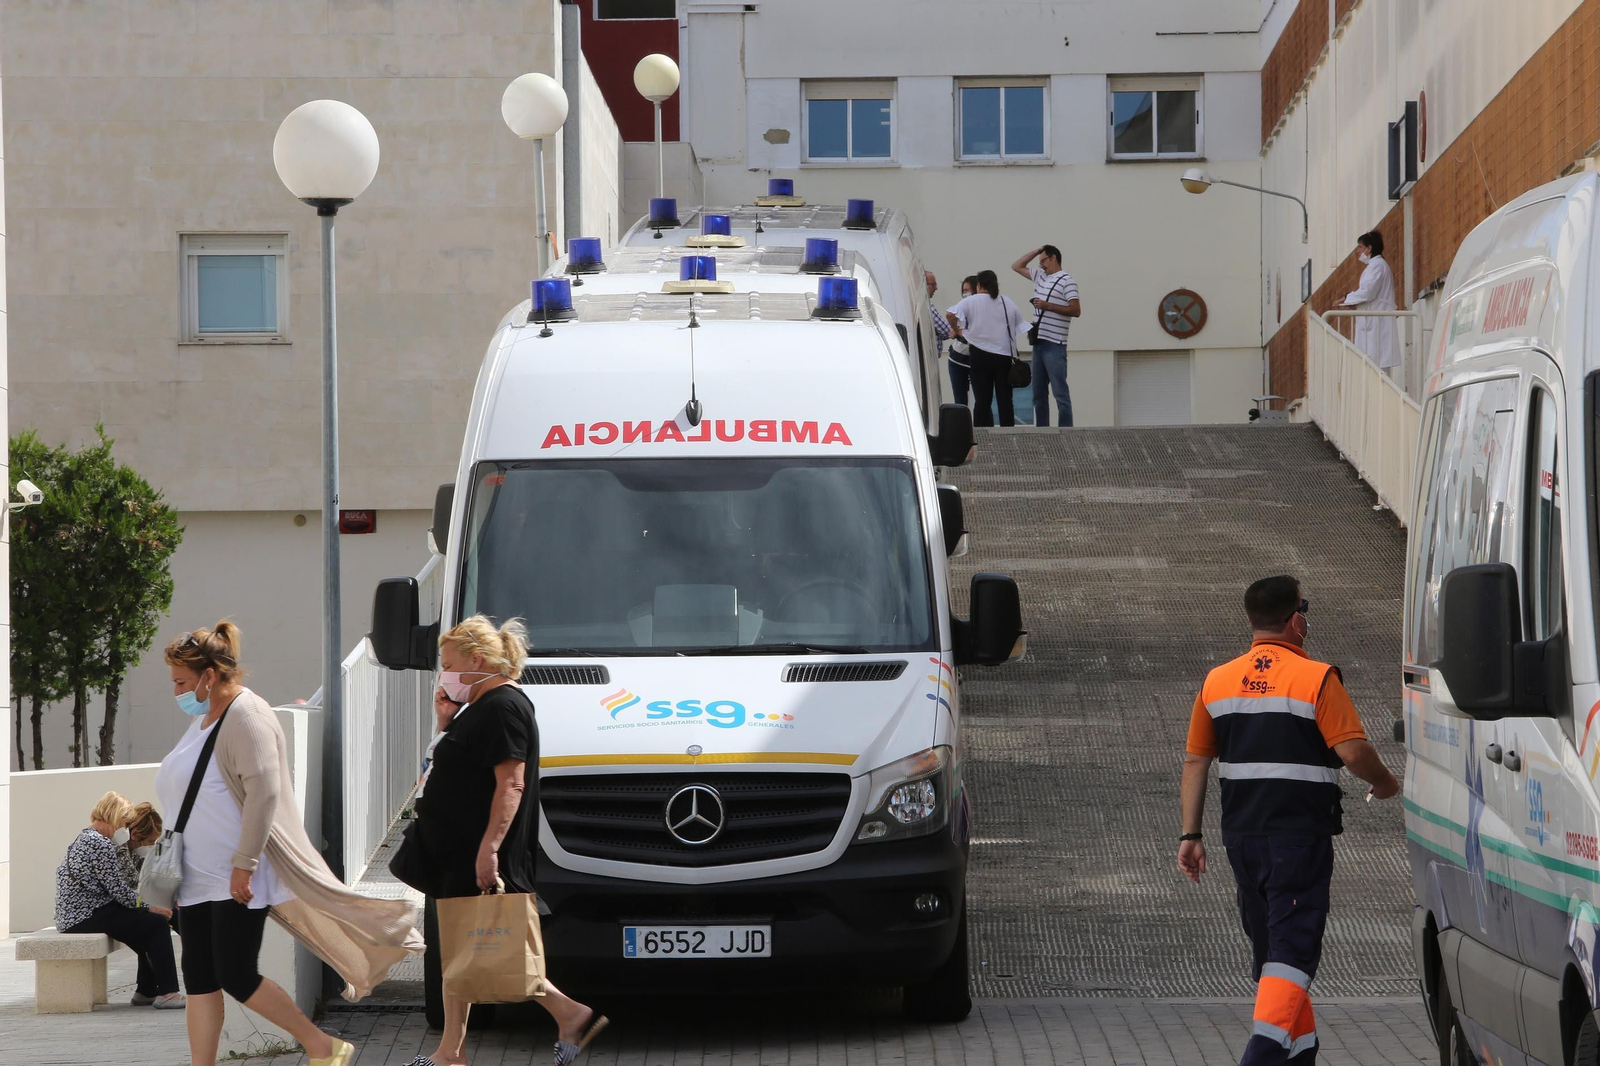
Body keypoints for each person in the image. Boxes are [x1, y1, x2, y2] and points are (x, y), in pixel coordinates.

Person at [158, 622, 421, 1066]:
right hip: (197, 877)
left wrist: (244, 863)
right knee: (200, 978)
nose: (176, 692)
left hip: (236, 875)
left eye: (182, 682)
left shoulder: (248, 715)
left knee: (236, 975)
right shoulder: (204, 720)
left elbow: (264, 793)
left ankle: (322, 1046)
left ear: (209, 676)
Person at [1178, 576, 1400, 1065]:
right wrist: (1386, 783)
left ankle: (1301, 1052)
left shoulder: (1217, 680)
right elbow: (1352, 750)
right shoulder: (1316, 678)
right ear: (1295, 619)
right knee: (1292, 953)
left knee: (1271, 952)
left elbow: (1196, 761)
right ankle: (1261, 1055)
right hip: (1297, 839)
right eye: (1305, 608)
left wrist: (1190, 834)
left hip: (1242, 840)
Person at [406, 616, 607, 1066]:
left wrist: (490, 848)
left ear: (476, 660)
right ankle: (450, 1052)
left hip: (479, 849)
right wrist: (445, 722)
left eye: (448, 665)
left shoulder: (503, 707)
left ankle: (570, 1013)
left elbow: (511, 783)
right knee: (462, 948)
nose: (444, 675)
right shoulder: (480, 708)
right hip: (459, 848)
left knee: (494, 948)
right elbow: (451, 767)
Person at [54, 790, 184, 1008]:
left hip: (84, 912)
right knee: (156, 924)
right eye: (124, 822)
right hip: (86, 914)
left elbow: (122, 887)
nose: (125, 828)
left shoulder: (89, 837)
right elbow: (119, 891)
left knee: (148, 928)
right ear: (114, 816)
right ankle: (168, 993)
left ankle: (147, 991)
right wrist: (150, 907)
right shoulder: (100, 843)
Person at [946, 270, 1027, 427]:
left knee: (982, 400)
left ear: (979, 285)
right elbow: (1018, 324)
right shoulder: (1006, 301)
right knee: (1005, 399)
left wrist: (958, 330)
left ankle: (982, 433)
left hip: (979, 354)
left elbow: (950, 314)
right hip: (1003, 355)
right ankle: (1008, 433)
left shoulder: (971, 301)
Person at [1012, 245, 1081, 427]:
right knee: (1038, 393)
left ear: (1054, 258)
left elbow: (1075, 310)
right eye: (1039, 262)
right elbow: (1017, 266)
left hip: (1055, 343)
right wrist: (1037, 251)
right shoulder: (1040, 277)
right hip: (1039, 342)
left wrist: (1048, 306)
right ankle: (1042, 431)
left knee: (1060, 393)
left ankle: (1065, 430)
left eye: (1043, 260)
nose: (1041, 265)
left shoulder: (1068, 281)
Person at [1336, 231, 1401, 377]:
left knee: (1376, 368)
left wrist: (1347, 298)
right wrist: (1350, 300)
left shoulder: (1377, 266)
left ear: (1369, 248)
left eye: (1360, 247)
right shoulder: (1376, 265)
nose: (1357, 251)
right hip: (1374, 321)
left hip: (1377, 322)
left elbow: (1367, 292)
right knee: (1372, 366)